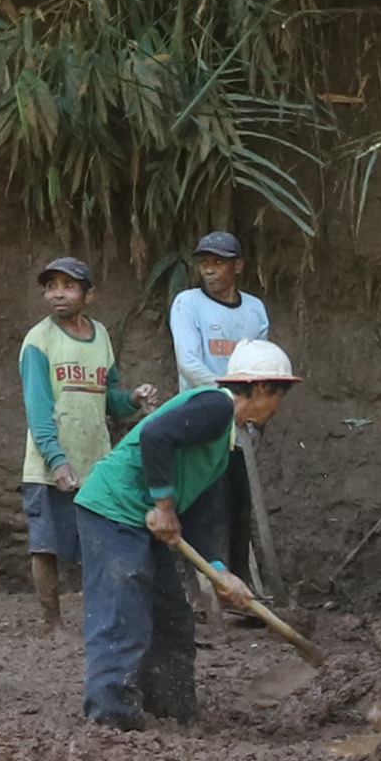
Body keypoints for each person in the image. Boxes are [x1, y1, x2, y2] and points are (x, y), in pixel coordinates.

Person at [69, 340, 299, 730]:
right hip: (113, 509)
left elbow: (196, 520)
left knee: (172, 619)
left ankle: (171, 711)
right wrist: (163, 505)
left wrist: (219, 572)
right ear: (261, 389)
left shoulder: (222, 444)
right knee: (123, 611)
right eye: (278, 396)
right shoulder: (216, 405)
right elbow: (155, 435)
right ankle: (110, 719)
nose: (277, 408)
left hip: (143, 518)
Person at [17, 255, 148, 635]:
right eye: (51, 286)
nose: (58, 294)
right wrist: (56, 460)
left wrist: (134, 399)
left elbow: (109, 400)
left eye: (68, 286)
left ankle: (99, 618)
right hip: (47, 465)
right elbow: (38, 409)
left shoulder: (101, 336)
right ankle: (52, 623)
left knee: (98, 544)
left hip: (95, 463)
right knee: (46, 546)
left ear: (89, 295)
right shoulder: (38, 341)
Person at [166, 231, 271, 581]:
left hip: (241, 425)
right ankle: (199, 588)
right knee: (203, 505)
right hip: (203, 418)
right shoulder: (188, 303)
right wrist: (231, 398)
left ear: (237, 266)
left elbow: (263, 366)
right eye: (204, 264)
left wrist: (256, 417)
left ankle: (237, 584)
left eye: (218, 263)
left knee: (239, 506)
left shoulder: (254, 310)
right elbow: (189, 364)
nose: (209, 271)